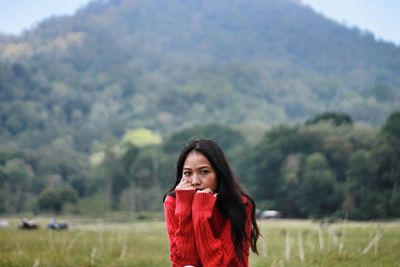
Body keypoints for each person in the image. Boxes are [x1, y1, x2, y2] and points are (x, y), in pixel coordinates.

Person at [163, 138, 260, 267]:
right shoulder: (173, 203)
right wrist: (185, 212)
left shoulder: (240, 204)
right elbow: (184, 263)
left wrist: (200, 216)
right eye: (187, 173)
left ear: (219, 174)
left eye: (204, 172)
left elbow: (218, 264)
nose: (195, 181)